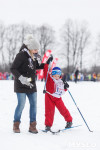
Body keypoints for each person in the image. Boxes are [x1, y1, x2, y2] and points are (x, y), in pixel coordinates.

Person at [11, 34, 46, 134]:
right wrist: (21, 78)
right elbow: (13, 68)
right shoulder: (21, 55)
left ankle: (32, 126)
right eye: (35, 49)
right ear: (30, 48)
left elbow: (37, 66)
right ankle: (16, 125)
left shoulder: (33, 56)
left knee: (34, 104)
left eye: (37, 49)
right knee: (21, 104)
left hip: (31, 84)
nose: (37, 51)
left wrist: (47, 63)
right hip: (21, 84)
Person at [43, 61, 73, 132]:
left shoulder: (61, 81)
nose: (56, 77)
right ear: (52, 75)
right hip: (49, 97)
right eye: (55, 75)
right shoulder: (49, 79)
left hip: (58, 98)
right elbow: (45, 71)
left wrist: (65, 87)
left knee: (63, 110)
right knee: (49, 112)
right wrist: (47, 64)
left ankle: (69, 121)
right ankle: (48, 126)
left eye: (58, 76)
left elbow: (62, 90)